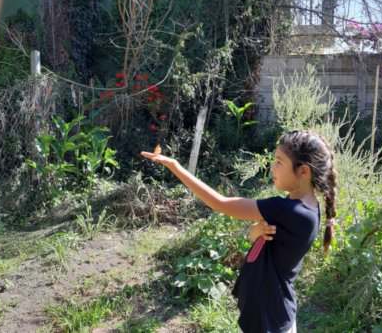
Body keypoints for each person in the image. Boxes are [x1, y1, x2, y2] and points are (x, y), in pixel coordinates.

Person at [141, 129, 337, 333]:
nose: (272, 168)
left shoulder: (288, 210)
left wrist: (175, 166)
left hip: (269, 319)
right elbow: (261, 239)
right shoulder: (304, 206)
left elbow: (219, 203)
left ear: (303, 171)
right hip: (272, 313)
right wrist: (255, 232)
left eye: (279, 162)